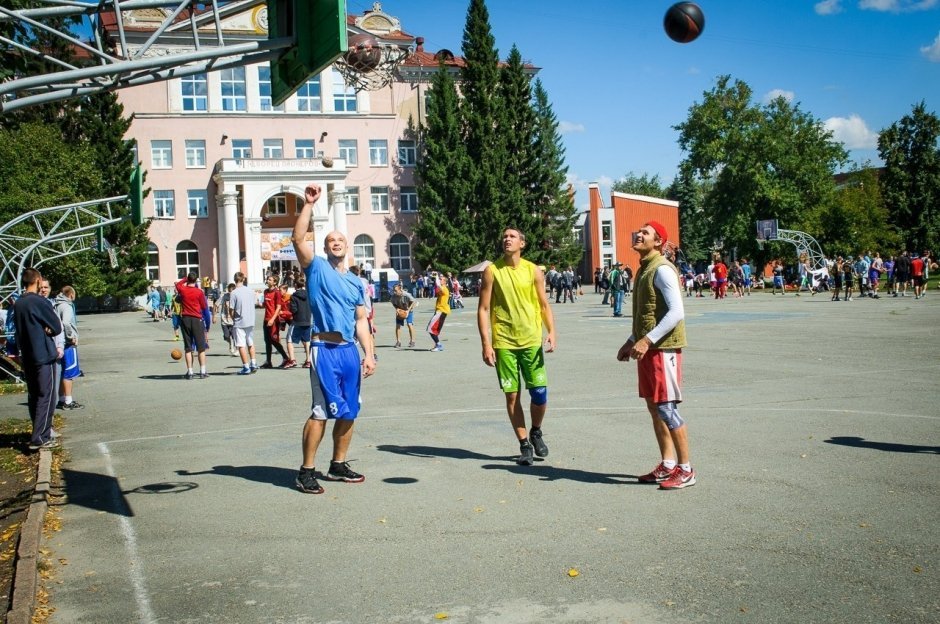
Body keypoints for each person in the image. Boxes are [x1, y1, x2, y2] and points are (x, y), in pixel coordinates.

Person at [292, 184, 376, 495]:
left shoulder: (357, 282)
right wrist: (308, 205)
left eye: (340, 240)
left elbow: (361, 321)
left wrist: (369, 354)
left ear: (347, 247)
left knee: (350, 409)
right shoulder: (315, 268)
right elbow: (298, 238)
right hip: (323, 349)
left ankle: (337, 464)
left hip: (349, 351)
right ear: (325, 247)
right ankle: (306, 471)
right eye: (331, 240)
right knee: (321, 410)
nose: (336, 243)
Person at [616, 221, 695, 490]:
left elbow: (676, 312)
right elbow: (648, 313)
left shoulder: (661, 269)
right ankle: (668, 464)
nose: (638, 234)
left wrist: (647, 340)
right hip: (649, 349)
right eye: (638, 231)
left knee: (666, 408)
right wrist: (630, 341)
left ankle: (686, 470)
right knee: (654, 407)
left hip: (663, 349)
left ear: (659, 241)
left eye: (646, 233)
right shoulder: (644, 269)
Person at [477, 227, 557, 466]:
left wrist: (552, 331)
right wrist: (486, 343)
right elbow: (483, 309)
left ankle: (536, 431)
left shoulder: (533, 271)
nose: (507, 239)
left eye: (512, 237)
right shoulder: (492, 271)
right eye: (504, 236)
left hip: (532, 340)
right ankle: (524, 445)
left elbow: (543, 305)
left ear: (522, 243)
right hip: (504, 343)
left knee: (539, 394)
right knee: (512, 395)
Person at [13, 268, 62, 450]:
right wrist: (47, 328)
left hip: (28, 355)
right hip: (43, 354)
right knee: (47, 395)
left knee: (34, 394)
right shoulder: (40, 302)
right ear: (38, 280)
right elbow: (56, 326)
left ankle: (37, 430)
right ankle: (41, 435)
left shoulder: (18, 303)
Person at [175, 272, 210, 379]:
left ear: (188, 280)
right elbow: (204, 308)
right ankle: (202, 371)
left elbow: (177, 284)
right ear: (196, 281)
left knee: (188, 348)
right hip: (196, 319)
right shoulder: (199, 292)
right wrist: (207, 325)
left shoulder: (183, 290)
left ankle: (190, 372)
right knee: (201, 348)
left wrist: (185, 278)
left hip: (185, 319)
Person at [53, 285, 83, 410]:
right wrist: (70, 336)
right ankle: (68, 400)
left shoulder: (56, 305)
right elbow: (66, 322)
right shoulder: (67, 306)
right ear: (71, 295)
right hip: (68, 343)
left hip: (59, 343)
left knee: (62, 371)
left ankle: (61, 398)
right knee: (69, 371)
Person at [229, 271, 259, 375]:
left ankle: (246, 366)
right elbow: (255, 303)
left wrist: (233, 318)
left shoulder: (234, 293)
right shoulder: (250, 291)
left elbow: (231, 309)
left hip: (240, 321)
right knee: (250, 342)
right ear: (243, 279)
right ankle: (253, 363)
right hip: (250, 320)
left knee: (241, 345)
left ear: (235, 280)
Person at [261, 275, 289, 369]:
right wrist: (261, 304)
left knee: (274, 340)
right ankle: (268, 361)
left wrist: (272, 319)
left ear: (274, 282)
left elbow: (278, 307)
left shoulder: (277, 293)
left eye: (270, 280)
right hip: (266, 319)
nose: (268, 281)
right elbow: (266, 305)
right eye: (267, 279)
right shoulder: (265, 292)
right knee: (267, 341)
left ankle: (286, 358)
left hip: (273, 320)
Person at [288, 275, 313, 368]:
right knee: (307, 340)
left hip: (297, 321)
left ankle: (292, 359)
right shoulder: (309, 294)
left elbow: (294, 310)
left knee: (289, 340)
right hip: (307, 320)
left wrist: (289, 308)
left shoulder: (293, 297)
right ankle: (308, 360)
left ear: (295, 285)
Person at [390, 282, 417, 348]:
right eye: (394, 290)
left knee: (409, 324)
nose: (394, 292)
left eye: (396, 290)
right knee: (398, 325)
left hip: (408, 310)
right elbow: (393, 303)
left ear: (400, 289)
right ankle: (398, 342)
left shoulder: (406, 294)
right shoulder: (393, 296)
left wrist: (408, 311)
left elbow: (414, 301)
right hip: (400, 310)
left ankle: (412, 341)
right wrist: (397, 309)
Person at [427, 275, 449, 351]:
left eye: (441, 279)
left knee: (431, 328)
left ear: (445, 282)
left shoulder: (445, 289)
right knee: (433, 329)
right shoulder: (441, 289)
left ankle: (439, 345)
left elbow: (438, 286)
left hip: (441, 311)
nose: (439, 280)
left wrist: (436, 277)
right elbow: (436, 289)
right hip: (439, 311)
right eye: (439, 279)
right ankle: (437, 345)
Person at [215, 283, 237, 355]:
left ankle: (235, 348)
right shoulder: (224, 297)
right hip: (224, 320)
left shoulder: (236, 297)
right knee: (226, 336)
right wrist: (214, 316)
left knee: (234, 336)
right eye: (229, 291)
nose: (231, 293)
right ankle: (230, 343)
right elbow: (216, 304)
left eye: (232, 292)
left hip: (233, 320)